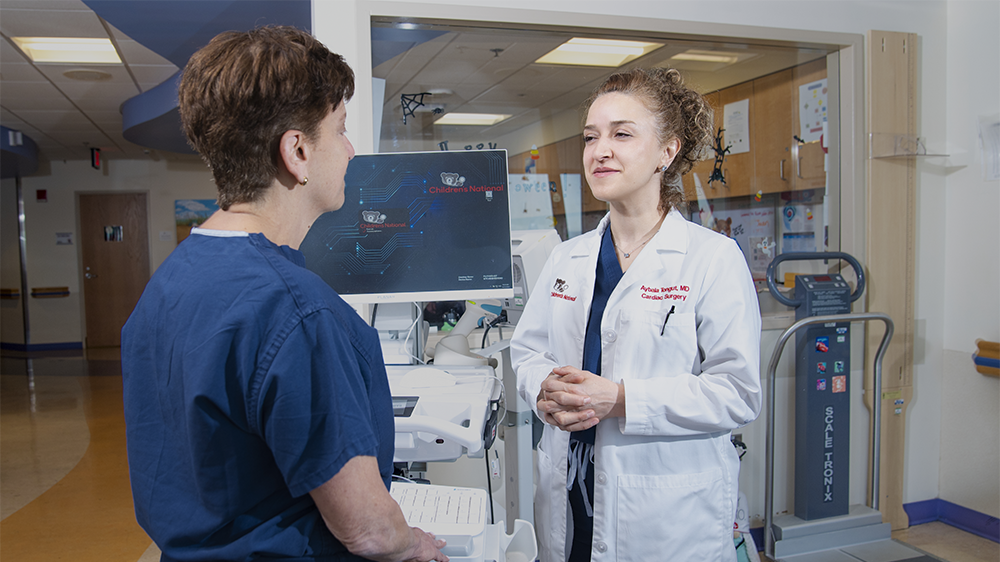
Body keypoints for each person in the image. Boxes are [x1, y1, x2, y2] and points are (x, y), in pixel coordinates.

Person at [121, 26, 447, 562]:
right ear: (296, 151)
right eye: (340, 130)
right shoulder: (298, 311)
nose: (350, 150)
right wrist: (414, 543)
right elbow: (369, 530)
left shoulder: (169, 282)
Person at [509, 68, 762, 562]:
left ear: (667, 151)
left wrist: (622, 399)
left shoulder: (711, 258)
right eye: (591, 137)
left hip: (664, 513)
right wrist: (544, 388)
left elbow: (738, 392)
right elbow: (528, 352)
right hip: (570, 492)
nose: (600, 150)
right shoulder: (567, 258)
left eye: (621, 134)